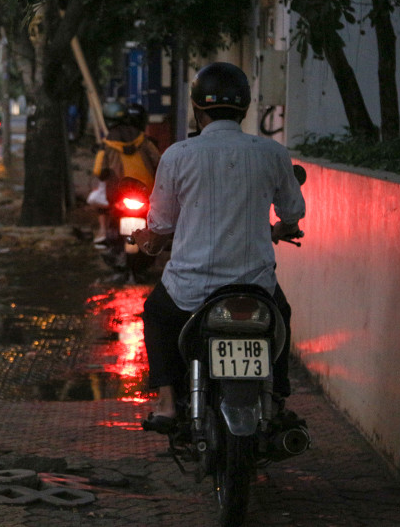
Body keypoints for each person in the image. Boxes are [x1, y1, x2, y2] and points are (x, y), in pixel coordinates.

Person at [131, 62, 306, 430]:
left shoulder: (178, 155)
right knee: (281, 314)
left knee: (156, 315)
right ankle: (277, 396)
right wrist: (281, 228)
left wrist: (149, 243)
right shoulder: (272, 153)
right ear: (244, 109)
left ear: (197, 109)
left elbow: (161, 225)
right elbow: (293, 212)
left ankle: (166, 403)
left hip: (189, 291)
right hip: (255, 287)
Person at [91, 100, 161, 244]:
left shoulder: (107, 144)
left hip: (119, 194)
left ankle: (105, 233)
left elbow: (98, 170)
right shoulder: (143, 139)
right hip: (146, 192)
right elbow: (159, 162)